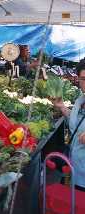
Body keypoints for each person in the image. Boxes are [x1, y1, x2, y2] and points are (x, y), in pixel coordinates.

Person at [53, 58, 85, 190]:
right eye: (83, 78)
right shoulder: (80, 100)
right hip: (74, 166)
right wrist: (62, 107)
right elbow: (76, 121)